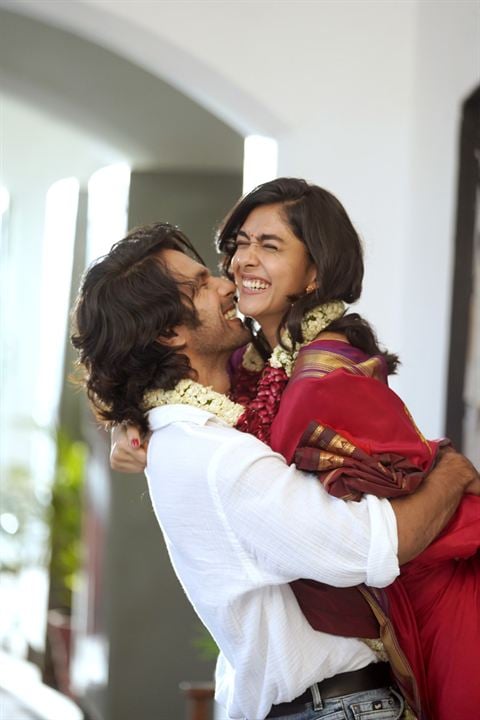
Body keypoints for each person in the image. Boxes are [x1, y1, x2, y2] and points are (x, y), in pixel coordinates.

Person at [73, 222, 479, 720]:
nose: (229, 279)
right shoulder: (213, 453)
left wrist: (130, 424)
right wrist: (454, 468)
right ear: (168, 333)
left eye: (266, 246)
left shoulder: (210, 422)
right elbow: (376, 545)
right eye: (202, 284)